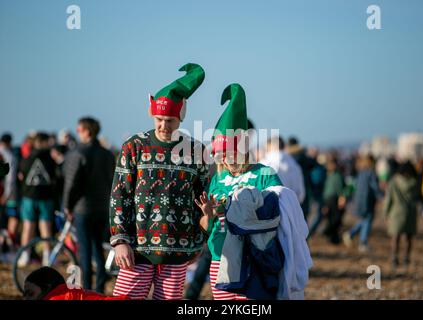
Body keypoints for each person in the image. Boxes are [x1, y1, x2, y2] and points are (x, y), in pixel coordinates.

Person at [110, 63, 209, 300]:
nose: (164, 126)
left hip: (178, 249)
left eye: (170, 120)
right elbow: (119, 195)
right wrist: (119, 240)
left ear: (180, 118)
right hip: (136, 248)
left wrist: (197, 243)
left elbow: (202, 200)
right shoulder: (134, 146)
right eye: (159, 119)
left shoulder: (197, 151)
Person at [195, 83, 284, 300]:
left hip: (252, 257)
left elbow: (280, 213)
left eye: (231, 151)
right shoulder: (216, 179)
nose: (226, 158)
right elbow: (206, 227)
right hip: (220, 257)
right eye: (221, 154)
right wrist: (208, 215)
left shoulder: (264, 174)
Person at [63, 117, 115, 293]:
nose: (77, 132)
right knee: (98, 249)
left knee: (85, 252)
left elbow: (72, 183)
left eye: (79, 129)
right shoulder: (107, 154)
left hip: (82, 208)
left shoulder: (78, 153)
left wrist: (67, 206)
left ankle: (86, 290)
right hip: (102, 207)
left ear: (86, 131)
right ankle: (99, 288)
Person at [17, 132, 56, 266]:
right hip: (45, 197)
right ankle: (47, 257)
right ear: (42, 142)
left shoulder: (26, 159)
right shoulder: (50, 160)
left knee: (28, 227)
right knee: (45, 227)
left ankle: (25, 255)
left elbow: (21, 176)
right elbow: (55, 178)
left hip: (29, 197)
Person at [383, 161, 421, 268]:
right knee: (408, 238)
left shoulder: (393, 182)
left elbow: (388, 199)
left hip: (396, 212)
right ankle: (406, 258)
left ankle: (394, 258)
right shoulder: (415, 183)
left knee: (395, 237)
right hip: (410, 213)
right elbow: (418, 197)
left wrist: (385, 213)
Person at [343, 155, 382, 253]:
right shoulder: (371, 173)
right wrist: (381, 195)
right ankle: (362, 243)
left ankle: (350, 234)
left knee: (364, 219)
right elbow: (375, 187)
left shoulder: (361, 173)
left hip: (359, 200)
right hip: (367, 200)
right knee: (367, 220)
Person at [24, 267, 127, 300]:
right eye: (25, 294)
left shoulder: (58, 297)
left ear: (47, 287)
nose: (26, 298)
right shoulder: (66, 294)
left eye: (30, 293)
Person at [260, 136, 305, 203]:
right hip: (292, 208)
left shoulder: (263, 164)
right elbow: (301, 193)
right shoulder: (295, 165)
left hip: (269, 209)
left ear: (269, 146)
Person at [320, 155, 346, 244]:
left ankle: (334, 237)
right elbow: (326, 189)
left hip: (336, 199)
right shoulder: (328, 175)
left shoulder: (338, 174)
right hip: (329, 200)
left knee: (336, 219)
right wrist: (324, 204)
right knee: (331, 218)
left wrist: (341, 197)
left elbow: (341, 188)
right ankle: (329, 234)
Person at [0, 133, 20, 247]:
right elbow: (10, 178)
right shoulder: (10, 156)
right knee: (12, 219)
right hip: (8, 195)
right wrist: (6, 195)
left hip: (5, 193)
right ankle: (7, 247)